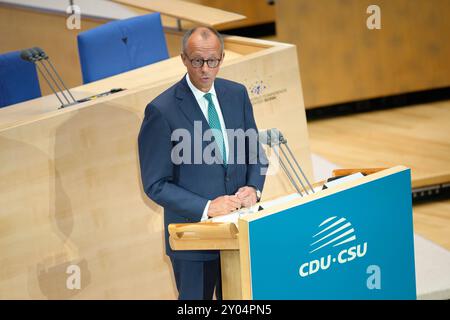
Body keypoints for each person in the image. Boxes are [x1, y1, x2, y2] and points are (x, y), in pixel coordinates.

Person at [138, 26, 267, 300]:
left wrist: (253, 187)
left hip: (240, 233)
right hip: (194, 242)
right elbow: (156, 184)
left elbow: (254, 151)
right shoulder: (161, 111)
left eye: (213, 61)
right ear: (183, 59)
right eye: (197, 61)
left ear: (222, 58)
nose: (205, 69)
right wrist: (208, 207)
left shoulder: (237, 94)